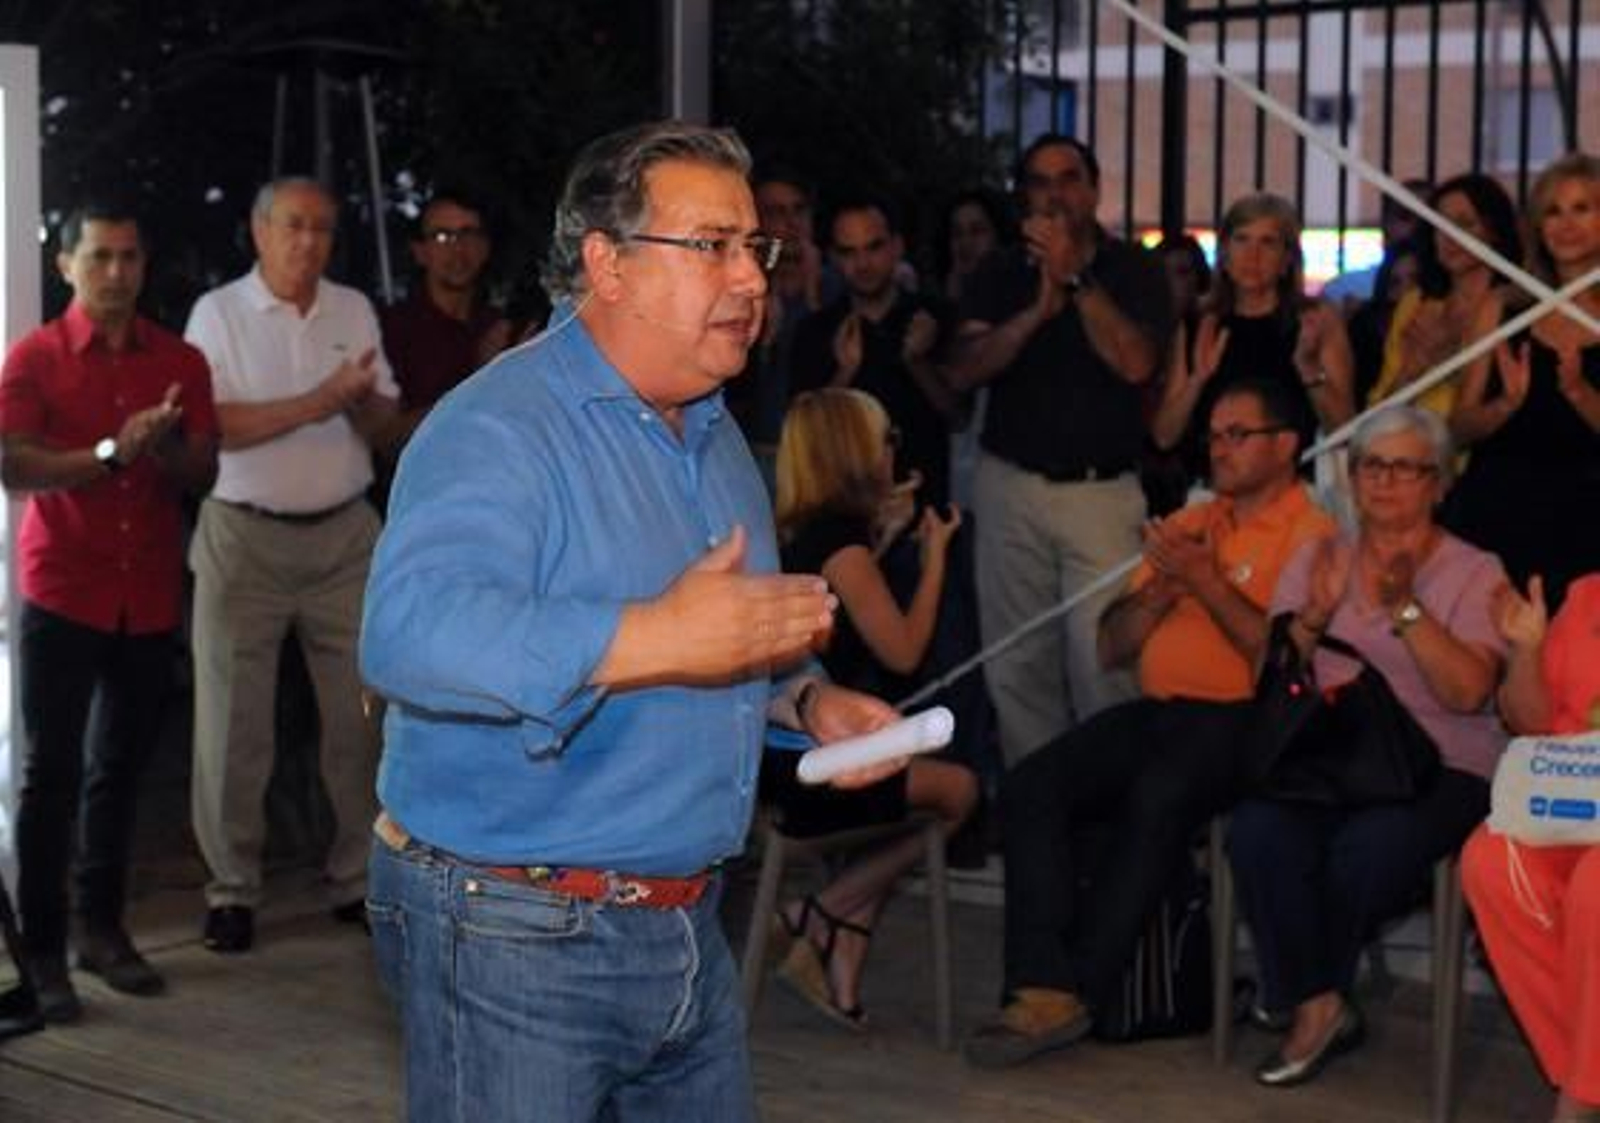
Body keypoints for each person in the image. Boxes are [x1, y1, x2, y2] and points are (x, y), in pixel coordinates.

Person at [359, 120, 902, 1123]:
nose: (750, 278)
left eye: (758, 249)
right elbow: (409, 632)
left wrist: (805, 703)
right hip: (512, 928)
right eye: (712, 247)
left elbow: (710, 644)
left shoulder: (716, 436)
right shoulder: (498, 426)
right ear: (606, 266)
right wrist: (656, 634)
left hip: (687, 922)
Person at [963, 378, 1335, 1068]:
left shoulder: (1311, 534)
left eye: (1238, 434)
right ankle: (1045, 982)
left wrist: (1207, 582)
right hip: (1162, 711)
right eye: (1215, 434)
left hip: (1249, 722)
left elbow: (1275, 659)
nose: (1219, 447)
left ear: (1286, 446)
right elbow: (1112, 644)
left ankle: (1079, 987)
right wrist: (1165, 590)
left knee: (1158, 793)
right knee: (1033, 781)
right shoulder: (1194, 521)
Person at [1227, 405, 1508, 1088]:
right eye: (1371, 467)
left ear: (1438, 483)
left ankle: (1296, 987)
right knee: (1258, 830)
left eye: (1405, 468)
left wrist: (1407, 608)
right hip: (1335, 755)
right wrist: (1315, 619)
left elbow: (1470, 692)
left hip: (1442, 762)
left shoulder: (1476, 570)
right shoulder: (1319, 556)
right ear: (1351, 480)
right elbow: (1275, 670)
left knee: (1366, 851)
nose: (1384, 483)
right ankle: (1321, 999)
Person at [0, 204, 217, 1021]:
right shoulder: (35, 356)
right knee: (49, 776)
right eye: (100, 257)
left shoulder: (180, 359)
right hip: (64, 590)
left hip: (148, 589)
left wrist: (164, 446)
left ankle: (102, 928)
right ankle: (44, 951)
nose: (117, 272)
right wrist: (106, 453)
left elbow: (205, 473)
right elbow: (11, 460)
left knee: (120, 772)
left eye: (129, 256)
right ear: (66, 266)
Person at [183, 177, 398, 954]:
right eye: (295, 226)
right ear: (260, 229)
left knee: (358, 719)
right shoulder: (218, 313)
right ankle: (231, 888)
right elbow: (216, 429)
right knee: (234, 724)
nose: (309, 242)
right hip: (246, 536)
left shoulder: (351, 308)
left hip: (345, 536)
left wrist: (360, 402)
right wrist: (321, 398)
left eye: (323, 228)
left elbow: (378, 420)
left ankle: (357, 876)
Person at [947, 133, 1174, 764]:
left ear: (1094, 190)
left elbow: (1136, 363)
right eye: (1040, 182)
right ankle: (1038, 819)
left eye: (1068, 179)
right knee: (1017, 666)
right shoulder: (998, 271)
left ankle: (1111, 822)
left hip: (1100, 495)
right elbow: (964, 370)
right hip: (1011, 485)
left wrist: (1076, 280)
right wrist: (1034, 316)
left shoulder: (1132, 268)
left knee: (1105, 665)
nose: (1055, 194)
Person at [763, 387, 976, 1028]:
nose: (894, 452)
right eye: (886, 440)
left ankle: (838, 965)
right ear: (858, 453)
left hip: (786, 750)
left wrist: (886, 538)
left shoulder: (805, 533)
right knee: (961, 792)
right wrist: (936, 557)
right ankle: (819, 911)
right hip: (812, 768)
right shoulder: (843, 546)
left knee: (909, 778)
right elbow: (904, 651)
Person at [1462, 572, 1600, 1123]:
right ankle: (1586, 1072)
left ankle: (1578, 1101)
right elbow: (1529, 720)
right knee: (1489, 860)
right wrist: (1527, 652)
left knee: (1596, 889)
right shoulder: (1587, 595)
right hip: (1574, 801)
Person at [1448, 153, 1600, 609]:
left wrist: (1579, 392)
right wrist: (1504, 406)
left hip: (1588, 520)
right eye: (1552, 211)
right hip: (1497, 511)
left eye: (1582, 208)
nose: (1565, 224)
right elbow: (1456, 429)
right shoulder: (1501, 306)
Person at [1153, 193, 1355, 490]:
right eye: (1242, 240)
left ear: (1287, 260)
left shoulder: (1315, 320)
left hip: (1295, 495)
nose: (1253, 255)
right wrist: (1197, 379)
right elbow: (1164, 436)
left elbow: (1345, 430)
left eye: (1268, 242)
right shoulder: (1198, 322)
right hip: (1215, 494)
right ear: (1224, 253)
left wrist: (1309, 369)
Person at [790, 196, 959, 509]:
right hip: (843, 516)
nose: (863, 263)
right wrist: (845, 372)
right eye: (849, 252)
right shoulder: (814, 332)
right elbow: (804, 439)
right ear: (833, 257)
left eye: (874, 247)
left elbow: (958, 414)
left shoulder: (934, 317)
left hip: (924, 509)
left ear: (897, 247)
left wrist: (917, 362)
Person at [1367, 174, 1523, 419]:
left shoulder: (1515, 304)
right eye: (1440, 225)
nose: (1450, 236)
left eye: (1464, 224)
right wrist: (1413, 371)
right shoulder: (1415, 304)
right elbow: (1376, 415)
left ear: (1494, 231)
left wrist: (1449, 365)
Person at [379, 191, 512, 461]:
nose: (458, 248)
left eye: (469, 234)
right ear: (420, 252)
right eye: (442, 236)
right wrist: (479, 378)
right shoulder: (392, 329)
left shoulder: (500, 327)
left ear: (485, 248)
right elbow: (387, 440)